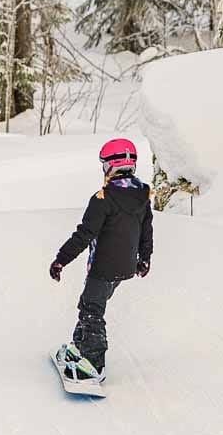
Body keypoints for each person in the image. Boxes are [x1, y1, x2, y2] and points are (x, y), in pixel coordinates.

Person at [49, 138, 152, 382]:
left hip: (103, 267)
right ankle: (79, 348)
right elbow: (146, 231)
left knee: (92, 310)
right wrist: (144, 258)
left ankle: (94, 364)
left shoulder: (102, 198)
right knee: (89, 303)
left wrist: (60, 260)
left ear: (110, 166)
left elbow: (84, 234)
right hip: (125, 266)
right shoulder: (143, 195)